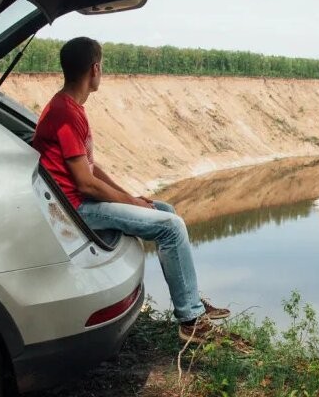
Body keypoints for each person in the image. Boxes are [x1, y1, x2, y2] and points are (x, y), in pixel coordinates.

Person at [32, 36, 230, 344]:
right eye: (102, 66)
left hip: (76, 202)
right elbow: (85, 183)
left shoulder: (69, 107)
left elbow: (90, 168)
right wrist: (132, 203)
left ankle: (190, 297)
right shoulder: (65, 113)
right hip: (74, 210)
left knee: (165, 210)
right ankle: (190, 320)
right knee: (172, 228)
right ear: (94, 69)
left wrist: (132, 198)